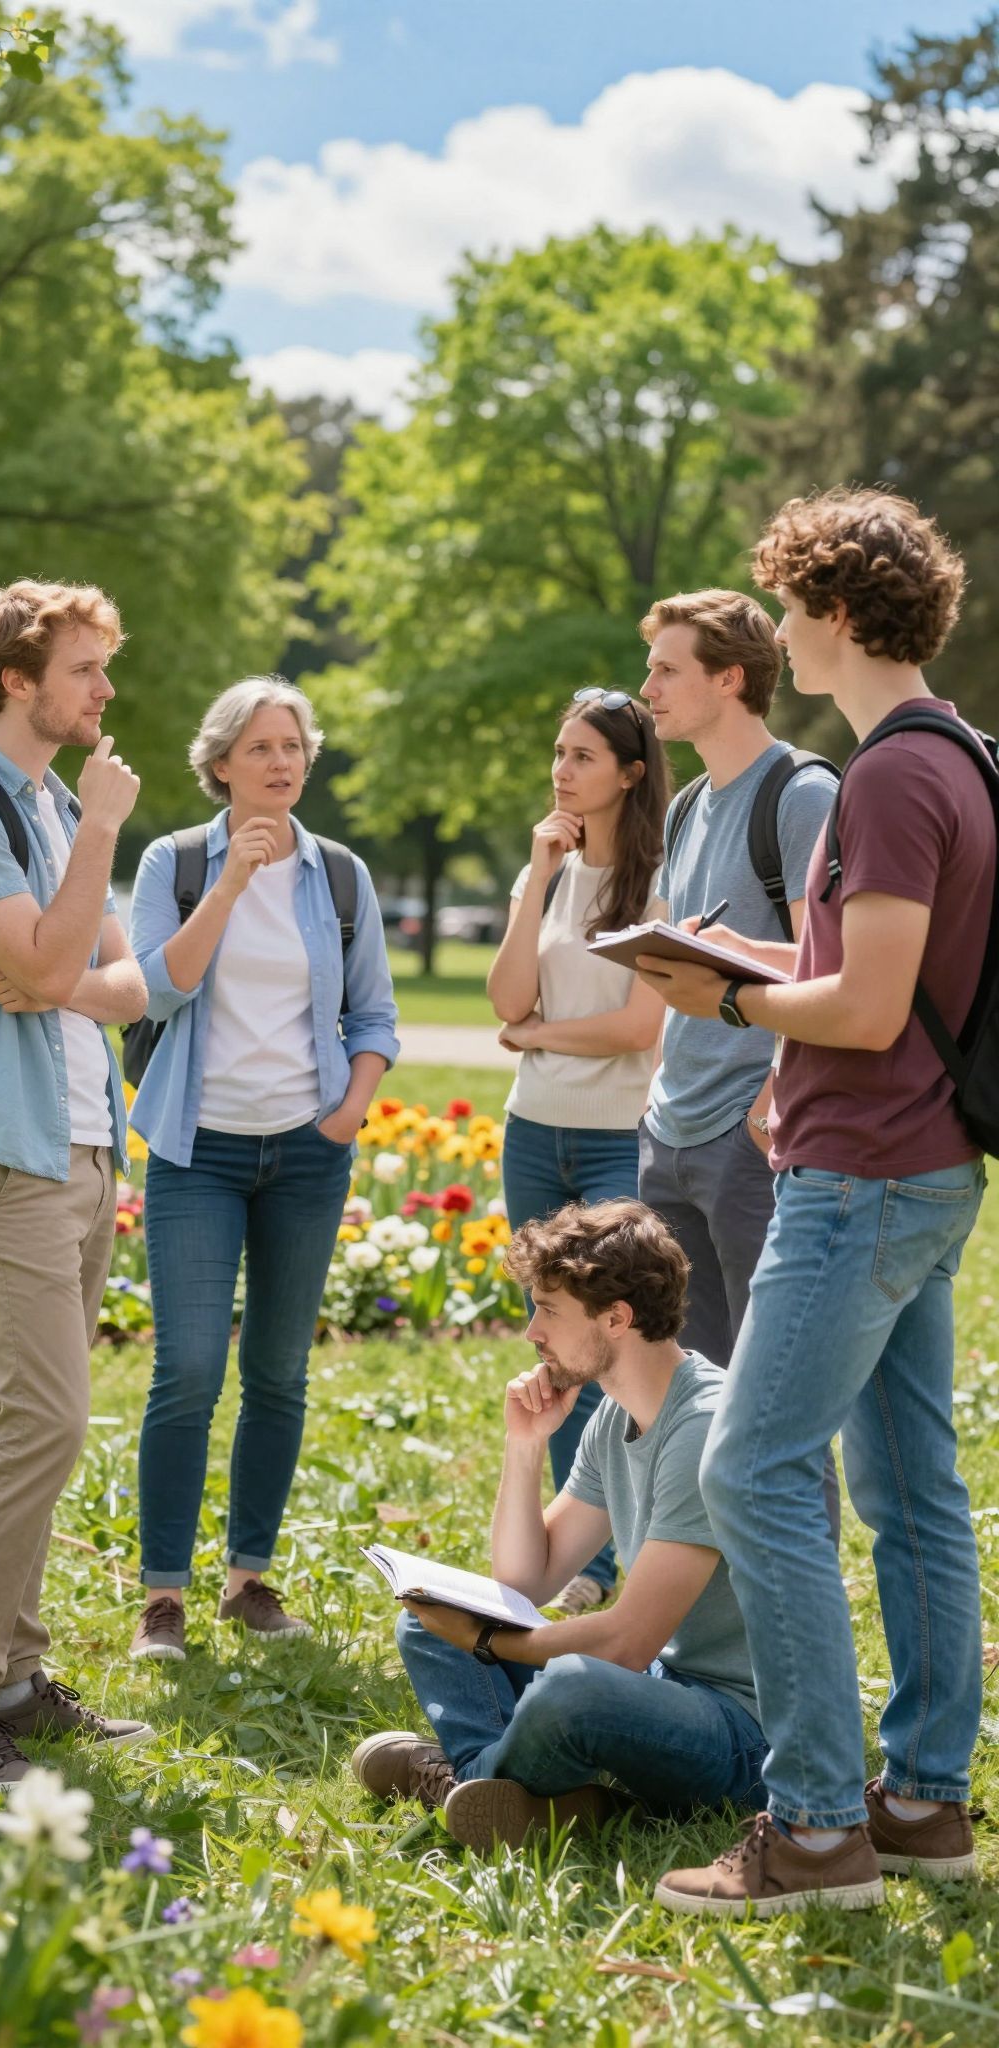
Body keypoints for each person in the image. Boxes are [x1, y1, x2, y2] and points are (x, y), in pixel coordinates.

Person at [638, 489, 994, 1915]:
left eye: (789, 605)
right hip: (918, 1168)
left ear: (839, 613)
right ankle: (922, 1803)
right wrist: (764, 963)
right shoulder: (954, 754)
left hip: (864, 1179)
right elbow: (869, 975)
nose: (780, 630)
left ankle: (815, 1828)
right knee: (911, 1488)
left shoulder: (893, 776)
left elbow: (868, 1003)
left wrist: (724, 990)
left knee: (751, 1469)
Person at [0, 579, 152, 1795]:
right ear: (17, 678)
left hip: (82, 1141)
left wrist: (65, 975)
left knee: (18, 1420)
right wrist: (98, 839)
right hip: (2, 1147)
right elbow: (58, 955)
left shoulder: (51, 804)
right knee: (45, 1420)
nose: (106, 691)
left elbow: (119, 981)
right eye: (86, 669)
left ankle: (10, 1677)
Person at [351, 1200, 765, 1853]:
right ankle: (555, 1802)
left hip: (739, 1735)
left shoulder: (704, 1425)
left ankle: (466, 1784)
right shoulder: (615, 1416)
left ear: (617, 1318)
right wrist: (525, 1445)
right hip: (655, 1688)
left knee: (574, 1688)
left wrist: (489, 1640)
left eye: (548, 1309)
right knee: (426, 1619)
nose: (531, 1333)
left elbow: (627, 1643)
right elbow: (525, 1578)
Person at [126, 676, 399, 1659]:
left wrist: (350, 1109)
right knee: (188, 1368)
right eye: (261, 747)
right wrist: (234, 882)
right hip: (197, 1153)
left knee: (278, 1370)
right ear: (221, 765)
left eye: (294, 745)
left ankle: (249, 1576)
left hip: (306, 1152)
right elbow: (157, 986)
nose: (283, 762)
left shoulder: (339, 874)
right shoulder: (177, 862)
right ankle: (163, 1593)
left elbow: (373, 1011)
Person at [487, 689, 669, 1616]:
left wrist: (539, 1036)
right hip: (535, 1131)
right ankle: (578, 1562)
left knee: (615, 1345)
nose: (562, 770)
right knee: (559, 1345)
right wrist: (538, 877)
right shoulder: (548, 872)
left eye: (584, 756)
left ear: (631, 773)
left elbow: (641, 1027)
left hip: (617, 1133)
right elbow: (507, 997)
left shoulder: (659, 879)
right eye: (559, 752)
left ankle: (632, 1542)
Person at [636, 591, 837, 1368]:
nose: (647, 688)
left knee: (774, 1396)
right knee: (690, 1392)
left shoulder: (803, 796)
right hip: (672, 1133)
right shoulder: (685, 807)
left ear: (728, 679)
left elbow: (835, 968)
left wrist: (766, 1108)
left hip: (752, 1138)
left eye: (666, 670)